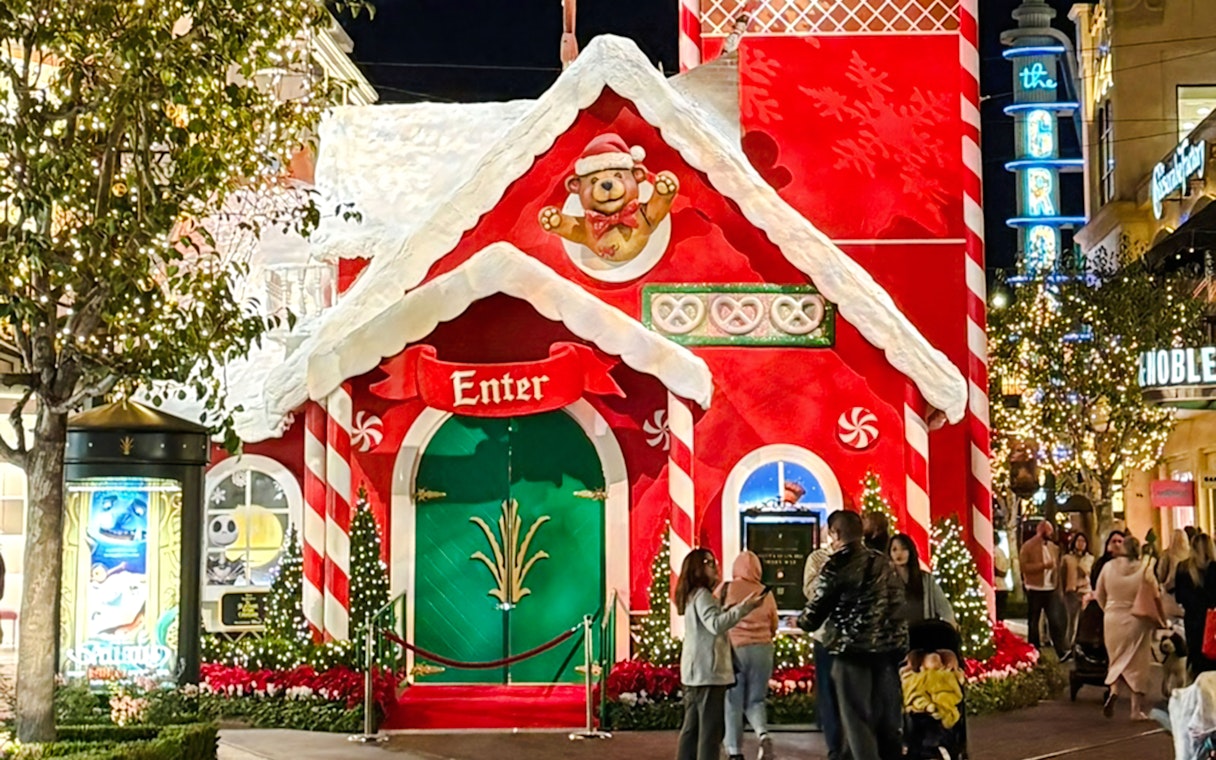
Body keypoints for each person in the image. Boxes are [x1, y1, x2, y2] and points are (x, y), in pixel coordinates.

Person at [797, 510, 907, 760]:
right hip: (884, 652)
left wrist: (802, 622)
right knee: (882, 717)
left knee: (856, 719)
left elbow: (817, 608)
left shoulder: (837, 564)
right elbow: (897, 606)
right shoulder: (882, 562)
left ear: (835, 534)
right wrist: (898, 646)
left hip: (850, 651)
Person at [675, 548, 764, 760]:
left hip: (696, 671)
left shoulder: (693, 595)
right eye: (709, 562)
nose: (715, 567)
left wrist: (728, 610)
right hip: (708, 671)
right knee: (710, 731)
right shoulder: (703, 595)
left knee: (692, 729)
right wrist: (744, 608)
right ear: (698, 568)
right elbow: (715, 625)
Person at [719, 551, 780, 760]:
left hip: (735, 650)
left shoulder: (726, 588)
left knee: (732, 702)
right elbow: (773, 624)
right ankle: (763, 735)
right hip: (763, 649)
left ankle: (734, 751)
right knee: (756, 700)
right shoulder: (765, 592)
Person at [1095, 536, 1159, 720]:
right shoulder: (1145, 568)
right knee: (1138, 663)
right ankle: (1135, 710)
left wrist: (1108, 609)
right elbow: (1155, 592)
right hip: (1137, 619)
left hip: (1112, 618)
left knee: (1116, 659)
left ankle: (1114, 690)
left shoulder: (1108, 567)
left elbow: (1099, 593)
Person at [803, 539, 845, 760]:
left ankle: (851, 744)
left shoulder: (858, 559)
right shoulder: (817, 558)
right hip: (824, 637)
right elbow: (810, 592)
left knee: (850, 694)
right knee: (828, 694)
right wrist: (829, 572)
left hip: (851, 638)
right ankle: (835, 748)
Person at [1019, 520, 1067, 656]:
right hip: (1035, 588)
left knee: (1054, 620)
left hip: (1050, 588)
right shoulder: (1028, 546)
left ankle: (1061, 650)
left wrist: (1058, 584)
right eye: (1048, 530)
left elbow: (1056, 567)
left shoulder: (1053, 547)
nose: (1051, 534)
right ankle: (1034, 649)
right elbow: (1024, 567)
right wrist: (1043, 566)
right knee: (1034, 621)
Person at [888, 533, 956, 627]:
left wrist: (951, 625)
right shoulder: (885, 580)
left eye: (904, 549)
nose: (899, 553)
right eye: (894, 549)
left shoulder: (926, 580)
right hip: (895, 634)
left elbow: (944, 608)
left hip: (923, 632)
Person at [1173, 532, 1216, 678]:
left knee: (1195, 659)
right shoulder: (1214, 568)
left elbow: (1179, 598)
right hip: (1212, 620)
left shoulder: (1182, 568)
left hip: (1192, 621)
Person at [1061, 533, 1094, 649]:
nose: (1081, 544)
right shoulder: (1067, 558)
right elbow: (1062, 575)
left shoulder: (1090, 559)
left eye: (1083, 541)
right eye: (1078, 541)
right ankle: (1069, 645)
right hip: (1071, 592)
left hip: (1086, 591)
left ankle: (1082, 644)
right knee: (1071, 620)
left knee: (1085, 620)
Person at [1157, 529, 1191, 618]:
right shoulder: (1191, 554)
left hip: (1170, 595)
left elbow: (1161, 575)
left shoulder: (1167, 554)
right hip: (1188, 596)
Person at [993, 540, 1011, 620]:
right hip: (1002, 586)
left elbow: (1001, 572)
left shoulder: (994, 552)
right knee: (1000, 615)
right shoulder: (1001, 552)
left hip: (997, 586)